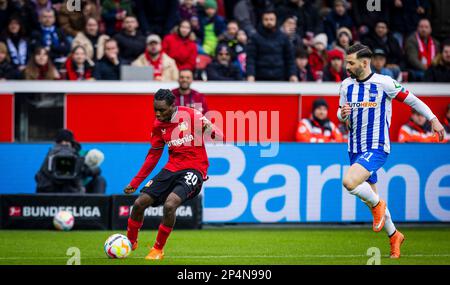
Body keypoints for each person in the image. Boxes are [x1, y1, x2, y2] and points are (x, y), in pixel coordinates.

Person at [337, 43, 445, 259]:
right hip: (354, 148)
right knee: (370, 198)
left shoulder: (384, 83)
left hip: (376, 147)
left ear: (364, 63)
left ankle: (379, 205)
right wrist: (343, 114)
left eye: (350, 62)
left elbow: (412, 100)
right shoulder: (346, 85)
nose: (346, 66)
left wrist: (433, 118)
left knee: (349, 182)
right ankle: (395, 236)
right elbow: (341, 114)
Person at [123, 89, 222, 260]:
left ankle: (158, 250)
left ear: (173, 106)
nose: (158, 113)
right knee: (139, 203)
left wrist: (209, 130)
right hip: (172, 168)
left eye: (162, 110)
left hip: (194, 169)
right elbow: (153, 155)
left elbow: (219, 136)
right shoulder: (158, 125)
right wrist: (136, 181)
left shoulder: (192, 115)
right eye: (155, 109)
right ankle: (130, 242)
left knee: (170, 205)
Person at [36, 129, 106, 194]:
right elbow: (40, 179)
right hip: (56, 191)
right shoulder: (51, 157)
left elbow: (89, 171)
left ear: (71, 143)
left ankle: (99, 205)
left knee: (99, 180)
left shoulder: (77, 155)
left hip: (72, 192)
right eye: (61, 142)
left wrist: (87, 170)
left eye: (66, 142)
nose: (64, 145)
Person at [246, 9, 297, 82]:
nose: (269, 22)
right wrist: (250, 75)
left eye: (271, 19)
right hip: (260, 78)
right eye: (266, 19)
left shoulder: (283, 38)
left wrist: (293, 74)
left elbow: (290, 59)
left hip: (280, 77)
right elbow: (251, 59)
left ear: (276, 21)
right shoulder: (255, 38)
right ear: (262, 21)